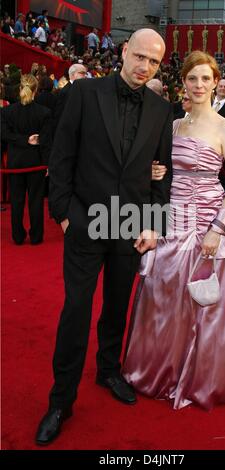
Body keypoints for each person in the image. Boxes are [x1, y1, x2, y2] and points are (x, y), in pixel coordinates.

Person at [35, 28, 173, 445]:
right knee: (76, 309)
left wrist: (153, 223)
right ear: (124, 52)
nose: (144, 65)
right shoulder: (83, 94)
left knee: (117, 305)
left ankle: (109, 370)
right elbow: (60, 158)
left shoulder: (161, 109)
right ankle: (61, 400)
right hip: (85, 220)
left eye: (153, 61)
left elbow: (161, 174)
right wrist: (63, 215)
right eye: (140, 56)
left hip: (130, 223)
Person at [122, 50, 225, 411]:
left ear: (216, 84)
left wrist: (217, 229)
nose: (199, 85)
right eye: (192, 78)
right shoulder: (174, 124)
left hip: (208, 218)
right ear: (183, 82)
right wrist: (155, 173)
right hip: (170, 217)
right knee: (163, 293)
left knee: (204, 300)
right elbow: (162, 167)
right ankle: (160, 369)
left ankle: (201, 377)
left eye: (206, 79)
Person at [1, 74, 52, 244]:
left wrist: (21, 140)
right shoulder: (44, 113)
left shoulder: (7, 111)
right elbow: (45, 142)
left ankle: (18, 236)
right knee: (36, 201)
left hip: (15, 163)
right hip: (36, 162)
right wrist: (47, 164)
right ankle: (36, 237)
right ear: (36, 90)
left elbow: (4, 134)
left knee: (17, 201)